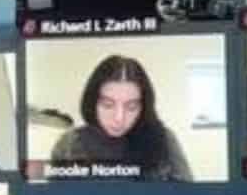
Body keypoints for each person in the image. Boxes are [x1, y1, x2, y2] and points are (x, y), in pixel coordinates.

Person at [48, 55, 192, 181]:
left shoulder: (164, 139)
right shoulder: (68, 144)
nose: (119, 118)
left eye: (131, 107)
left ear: (143, 107)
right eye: (108, 105)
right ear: (92, 102)